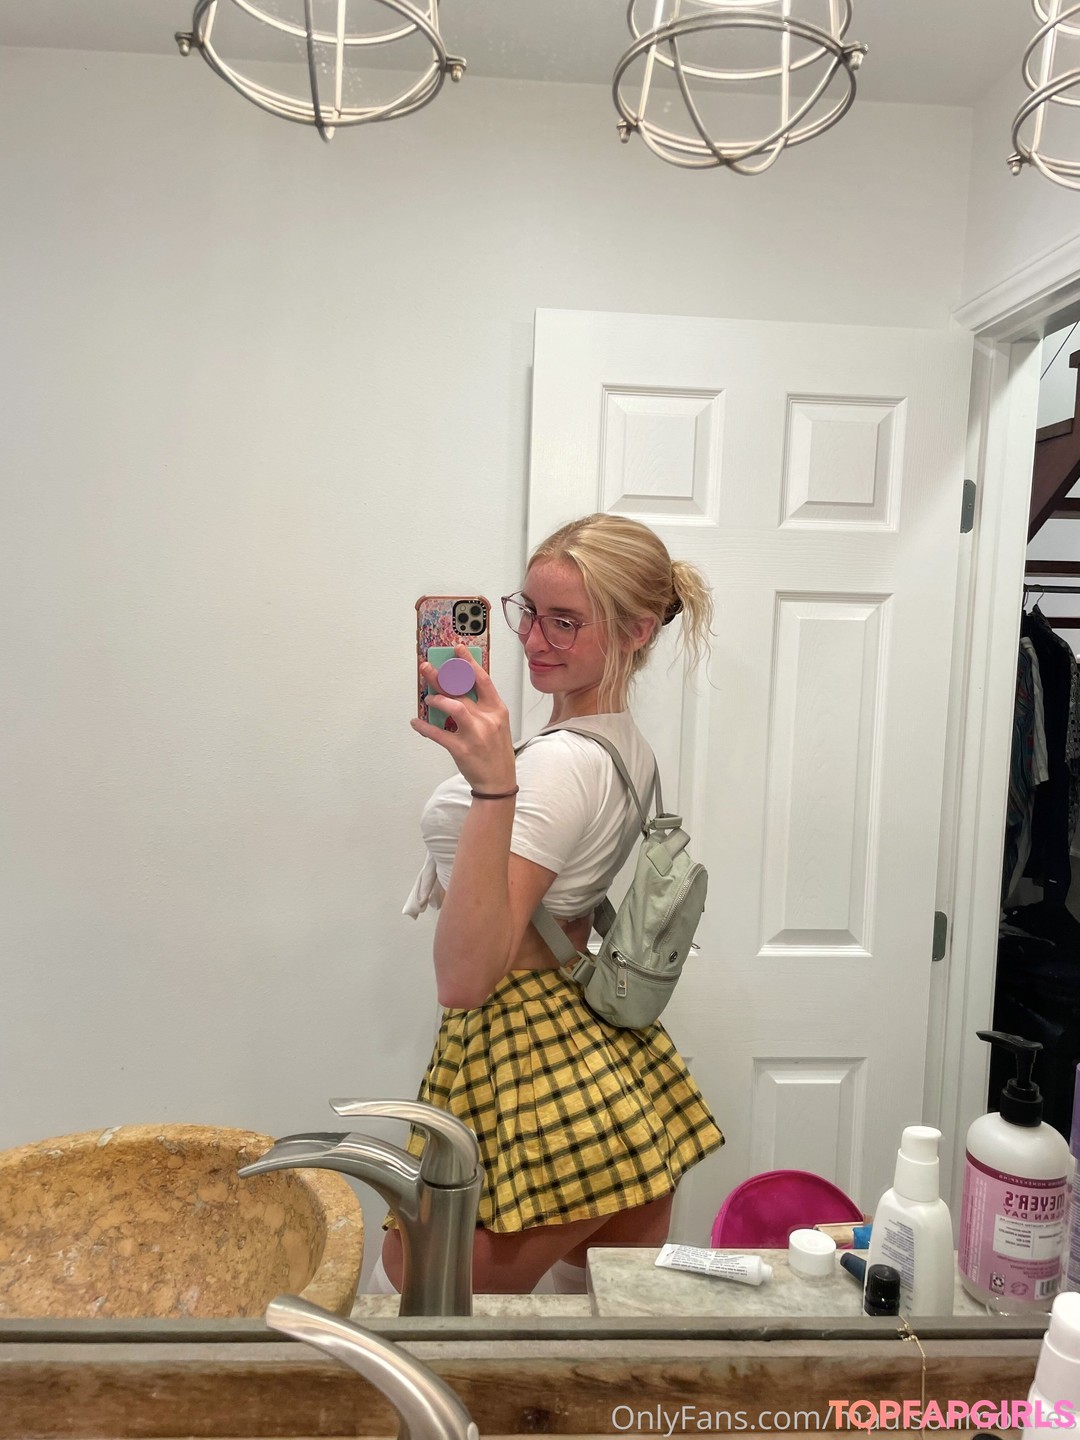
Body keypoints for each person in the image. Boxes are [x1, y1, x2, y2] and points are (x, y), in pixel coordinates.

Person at [385, 513, 723, 1295]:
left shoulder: (561, 765)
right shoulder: (618, 745)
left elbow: (465, 978)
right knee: (597, 1304)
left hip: (523, 1041)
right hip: (592, 1042)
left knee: (413, 1287)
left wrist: (493, 788)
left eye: (565, 621)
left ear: (637, 631)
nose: (535, 639)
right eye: (528, 611)